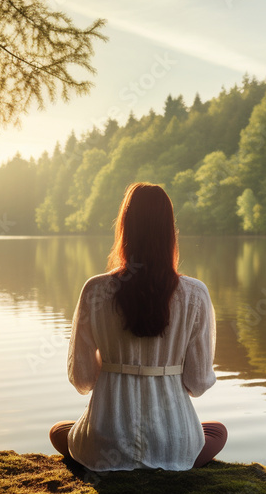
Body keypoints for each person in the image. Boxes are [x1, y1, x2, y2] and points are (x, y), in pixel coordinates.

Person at [49, 182, 227, 471]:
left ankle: (108, 456)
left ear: (124, 229)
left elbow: (82, 379)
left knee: (59, 431)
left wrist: (110, 361)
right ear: (170, 232)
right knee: (217, 431)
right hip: (173, 441)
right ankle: (169, 459)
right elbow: (198, 383)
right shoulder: (195, 294)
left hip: (106, 444)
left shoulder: (95, 290)